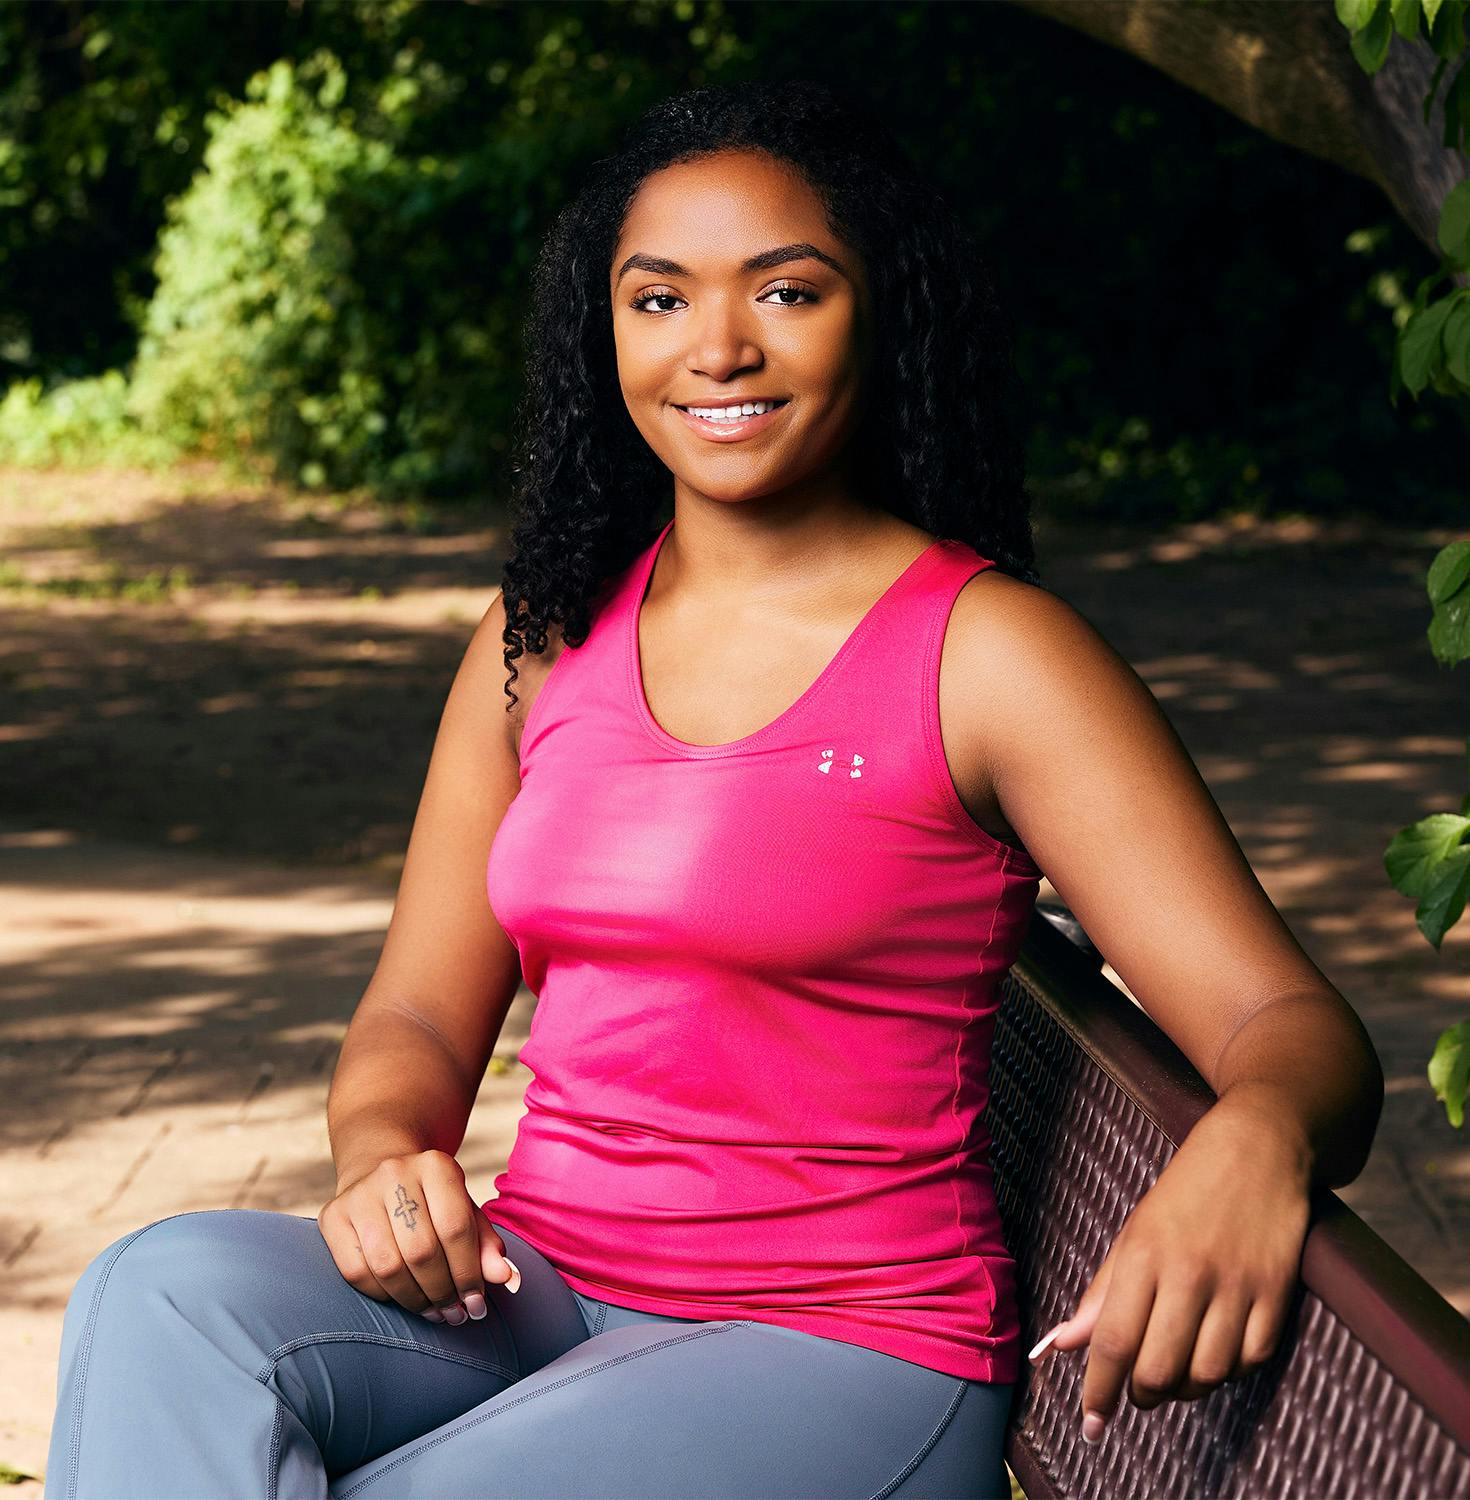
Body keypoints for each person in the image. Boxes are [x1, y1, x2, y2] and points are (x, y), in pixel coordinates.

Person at [46, 77, 1384, 1500]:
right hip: (540, 1293)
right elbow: (418, 1015)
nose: (719, 347)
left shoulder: (989, 657)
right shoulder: (539, 640)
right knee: (158, 1291)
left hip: (840, 1352)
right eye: (660, 298)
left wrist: (1253, 1138)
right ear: (607, 333)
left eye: (787, 291)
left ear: (881, 315)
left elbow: (1289, 1025)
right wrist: (383, 1154)